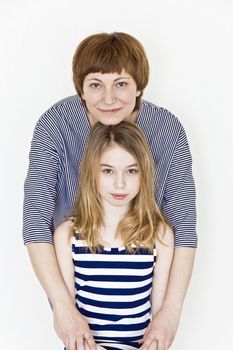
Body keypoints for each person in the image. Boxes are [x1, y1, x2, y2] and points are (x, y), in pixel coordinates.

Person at [23, 32, 197, 350]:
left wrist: (170, 313)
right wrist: (63, 307)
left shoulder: (167, 130)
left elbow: (184, 228)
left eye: (121, 83)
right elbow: (35, 221)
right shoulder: (55, 126)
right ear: (81, 89)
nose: (108, 98)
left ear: (139, 85)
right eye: (95, 85)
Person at [54, 121, 174, 350]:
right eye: (108, 170)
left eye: (131, 170)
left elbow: (159, 325)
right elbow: (66, 318)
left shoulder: (159, 235)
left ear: (143, 173)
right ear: (92, 172)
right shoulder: (68, 235)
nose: (120, 183)